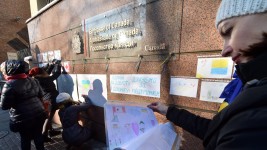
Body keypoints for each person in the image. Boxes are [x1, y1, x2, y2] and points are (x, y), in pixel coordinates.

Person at [148, 0, 267, 149]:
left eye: (229, 31)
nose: (224, 51)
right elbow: (216, 130)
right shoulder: (253, 85)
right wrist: (167, 111)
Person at [0, 60, 47, 150]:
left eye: (3, 71)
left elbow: (4, 106)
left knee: (25, 139)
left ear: (9, 71)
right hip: (39, 113)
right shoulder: (33, 80)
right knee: (38, 136)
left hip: (23, 118)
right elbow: (41, 95)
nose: (3, 73)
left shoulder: (9, 85)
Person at [29, 61, 62, 141]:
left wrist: (52, 65)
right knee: (49, 118)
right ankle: (44, 135)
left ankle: (51, 131)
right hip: (51, 99)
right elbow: (57, 73)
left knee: (48, 116)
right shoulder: (45, 79)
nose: (45, 71)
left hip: (45, 100)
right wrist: (58, 65)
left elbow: (46, 72)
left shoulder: (36, 79)